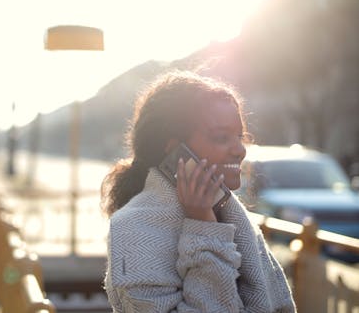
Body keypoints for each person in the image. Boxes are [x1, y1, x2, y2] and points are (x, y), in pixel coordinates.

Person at [101, 71, 296, 312]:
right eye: (221, 137)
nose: (240, 150)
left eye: (239, 137)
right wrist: (203, 226)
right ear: (176, 152)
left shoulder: (229, 212)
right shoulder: (134, 229)